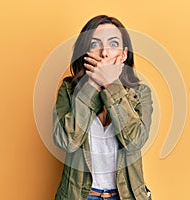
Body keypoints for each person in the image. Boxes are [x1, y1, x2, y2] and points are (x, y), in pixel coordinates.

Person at [53, 15, 153, 200]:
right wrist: (92, 86)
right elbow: (67, 141)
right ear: (85, 53)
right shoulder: (68, 90)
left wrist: (111, 85)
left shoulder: (140, 93)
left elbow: (135, 141)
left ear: (123, 54)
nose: (104, 53)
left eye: (113, 44)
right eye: (95, 44)